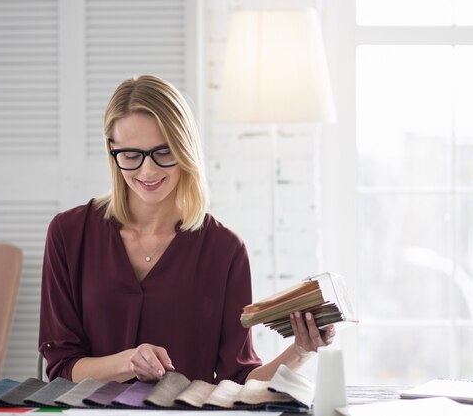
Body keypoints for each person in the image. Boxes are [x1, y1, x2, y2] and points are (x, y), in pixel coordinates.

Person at [38, 74, 335, 384]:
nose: (148, 171)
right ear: (112, 150)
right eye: (131, 155)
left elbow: (239, 379)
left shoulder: (224, 251)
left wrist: (301, 350)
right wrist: (128, 361)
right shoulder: (69, 234)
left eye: (164, 152)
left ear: (185, 148)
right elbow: (62, 367)